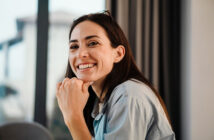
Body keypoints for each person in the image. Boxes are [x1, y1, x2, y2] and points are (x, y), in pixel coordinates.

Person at [56, 11, 175, 140]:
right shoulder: (103, 103)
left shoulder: (128, 94)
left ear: (118, 54)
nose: (81, 54)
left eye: (92, 43)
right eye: (74, 46)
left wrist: (73, 117)